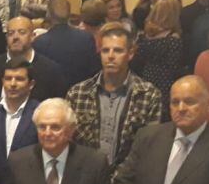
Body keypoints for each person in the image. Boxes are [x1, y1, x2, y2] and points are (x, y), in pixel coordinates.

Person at [66, 22, 162, 168]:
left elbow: (149, 148)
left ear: (130, 53)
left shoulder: (148, 95)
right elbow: (69, 144)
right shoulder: (78, 93)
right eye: (105, 50)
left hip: (127, 181)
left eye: (117, 51)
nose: (110, 56)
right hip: (85, 178)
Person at [0, 14, 67, 105]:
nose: (15, 37)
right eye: (11, 33)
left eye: (22, 32)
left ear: (32, 36)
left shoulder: (51, 71)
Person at [0, 58, 40, 177]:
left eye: (19, 79)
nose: (13, 84)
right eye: (8, 78)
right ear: (2, 81)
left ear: (31, 84)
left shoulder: (40, 112)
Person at [33, 0, 101, 90]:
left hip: (51, 97)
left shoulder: (39, 43)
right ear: (69, 14)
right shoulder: (86, 38)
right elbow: (94, 71)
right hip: (81, 94)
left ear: (48, 15)